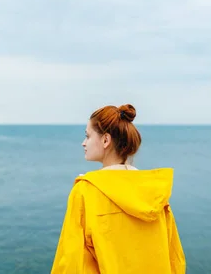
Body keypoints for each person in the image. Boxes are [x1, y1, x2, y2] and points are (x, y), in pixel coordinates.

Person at [51, 104, 186, 273]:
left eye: (88, 136)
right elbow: (174, 257)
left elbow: (71, 261)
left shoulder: (86, 191)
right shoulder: (155, 192)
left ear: (106, 140)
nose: (83, 143)